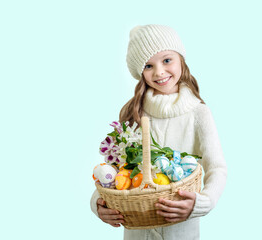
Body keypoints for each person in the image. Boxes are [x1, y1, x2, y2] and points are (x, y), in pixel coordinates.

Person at [90, 24, 227, 240]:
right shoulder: (132, 112)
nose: (159, 72)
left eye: (166, 60)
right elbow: (115, 171)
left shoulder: (198, 113)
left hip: (181, 232)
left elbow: (217, 168)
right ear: (140, 73)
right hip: (137, 232)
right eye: (148, 66)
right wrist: (97, 203)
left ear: (181, 58)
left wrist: (203, 202)